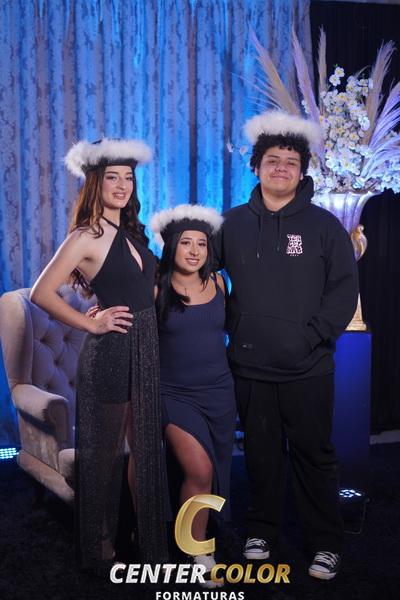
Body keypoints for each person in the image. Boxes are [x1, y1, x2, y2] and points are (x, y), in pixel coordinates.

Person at [213, 110, 359, 580]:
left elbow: (343, 291)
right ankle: (262, 530)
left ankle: (325, 542)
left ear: (302, 171)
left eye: (291, 162)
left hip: (309, 366)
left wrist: (311, 338)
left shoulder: (324, 226)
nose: (281, 168)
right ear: (255, 167)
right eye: (273, 160)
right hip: (250, 364)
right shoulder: (230, 224)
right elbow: (193, 271)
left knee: (314, 455)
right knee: (260, 454)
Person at [30, 138, 168, 571]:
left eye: (129, 177)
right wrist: (91, 323)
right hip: (110, 352)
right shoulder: (85, 235)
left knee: (144, 449)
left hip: (145, 349)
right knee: (103, 455)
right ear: (96, 182)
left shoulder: (131, 233)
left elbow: (143, 291)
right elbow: (40, 293)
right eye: (113, 177)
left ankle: (145, 540)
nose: (123, 185)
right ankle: (99, 549)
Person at [150, 205, 237, 588]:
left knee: (209, 473)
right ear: (171, 246)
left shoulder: (218, 283)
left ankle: (191, 532)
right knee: (199, 470)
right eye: (186, 243)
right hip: (174, 394)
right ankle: (197, 550)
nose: (194, 251)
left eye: (201, 243)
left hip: (219, 392)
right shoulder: (156, 287)